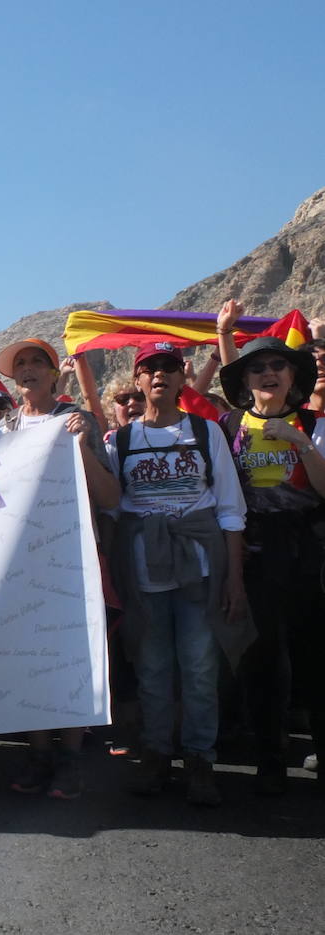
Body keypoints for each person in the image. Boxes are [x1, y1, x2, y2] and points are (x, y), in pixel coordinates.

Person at [107, 343, 251, 807]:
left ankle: (199, 760)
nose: (159, 376)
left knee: (199, 667)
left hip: (201, 571)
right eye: (149, 369)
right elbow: (110, 503)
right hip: (146, 572)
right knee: (152, 669)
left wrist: (234, 581)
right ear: (139, 381)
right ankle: (156, 755)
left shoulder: (207, 434)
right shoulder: (121, 442)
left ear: (182, 377)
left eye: (168, 367)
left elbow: (230, 510)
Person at [0, 338, 120, 799]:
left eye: (36, 363)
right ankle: (39, 754)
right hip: (20, 563)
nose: (27, 370)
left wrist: (81, 448)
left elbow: (110, 497)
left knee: (72, 661)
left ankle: (70, 759)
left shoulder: (77, 421)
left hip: (71, 560)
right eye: (19, 364)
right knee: (29, 661)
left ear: (53, 374)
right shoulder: (3, 427)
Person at [217, 336, 325, 795]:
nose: (268, 372)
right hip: (255, 551)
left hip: (308, 552)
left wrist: (301, 442)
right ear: (245, 380)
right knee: (262, 657)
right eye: (257, 366)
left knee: (316, 656)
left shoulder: (315, 424)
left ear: (293, 377)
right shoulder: (225, 427)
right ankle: (269, 755)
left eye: (278, 364)